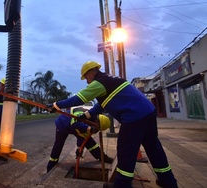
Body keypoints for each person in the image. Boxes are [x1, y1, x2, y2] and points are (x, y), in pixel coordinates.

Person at [46, 61, 177, 188]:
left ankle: (122, 184)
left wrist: (56, 105)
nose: (87, 81)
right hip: (148, 112)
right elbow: (100, 106)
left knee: (126, 150)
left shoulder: (99, 82)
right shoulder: (110, 80)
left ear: (91, 72)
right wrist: (85, 116)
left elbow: (79, 98)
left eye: (86, 78)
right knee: (153, 147)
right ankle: (168, 180)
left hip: (134, 116)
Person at [47, 108, 113, 173]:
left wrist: (79, 149)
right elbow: (74, 123)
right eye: (98, 128)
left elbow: (82, 137)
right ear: (97, 121)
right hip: (63, 123)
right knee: (58, 144)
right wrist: (89, 128)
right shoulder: (84, 112)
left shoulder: (91, 123)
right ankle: (51, 165)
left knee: (90, 142)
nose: (97, 130)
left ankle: (102, 157)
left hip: (75, 128)